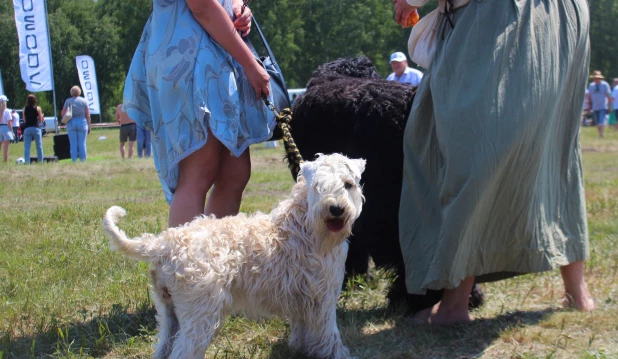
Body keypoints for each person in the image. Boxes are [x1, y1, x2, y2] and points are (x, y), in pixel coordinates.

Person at [394, 0, 594, 325]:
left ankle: (454, 305)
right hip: (566, 14)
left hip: (499, 15)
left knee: (472, 146)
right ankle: (577, 291)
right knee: (554, 147)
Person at [123, 0, 274, 228]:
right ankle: (184, 261)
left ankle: (214, 257)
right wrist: (250, 63)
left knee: (234, 172)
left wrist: (237, 6)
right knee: (199, 171)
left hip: (212, 56)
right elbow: (201, 5)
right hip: (191, 58)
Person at [61, 86, 91, 162]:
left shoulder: (68, 101)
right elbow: (88, 115)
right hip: (82, 121)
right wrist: (89, 126)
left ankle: (74, 160)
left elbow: (63, 113)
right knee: (82, 142)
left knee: (73, 143)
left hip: (71, 122)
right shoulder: (84, 101)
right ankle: (83, 160)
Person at [587, 71, 612, 138]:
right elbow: (589, 97)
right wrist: (589, 107)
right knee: (597, 122)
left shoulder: (605, 85)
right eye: (594, 78)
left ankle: (601, 134)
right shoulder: (591, 85)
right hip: (595, 106)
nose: (595, 79)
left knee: (601, 121)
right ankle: (600, 134)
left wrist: (610, 106)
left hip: (603, 106)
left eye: (597, 78)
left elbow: (608, 96)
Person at [22, 94, 44, 164]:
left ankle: (27, 162)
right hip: (36, 128)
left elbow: (25, 120)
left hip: (27, 128)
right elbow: (40, 120)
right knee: (39, 146)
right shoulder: (38, 108)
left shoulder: (24, 109)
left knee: (27, 147)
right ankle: (40, 161)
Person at [0, 95, 14, 162]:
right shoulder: (7, 111)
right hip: (6, 128)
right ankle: (5, 161)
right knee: (5, 148)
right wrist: (12, 131)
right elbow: (9, 122)